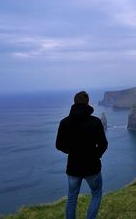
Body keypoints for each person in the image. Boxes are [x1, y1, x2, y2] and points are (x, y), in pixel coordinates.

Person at [56, 91, 108, 219]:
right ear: (87, 103)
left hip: (73, 166)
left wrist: (70, 151)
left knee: (72, 198)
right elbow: (103, 144)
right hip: (92, 166)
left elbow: (59, 145)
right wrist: (96, 155)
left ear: (74, 103)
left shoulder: (65, 122)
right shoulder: (95, 122)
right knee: (96, 194)